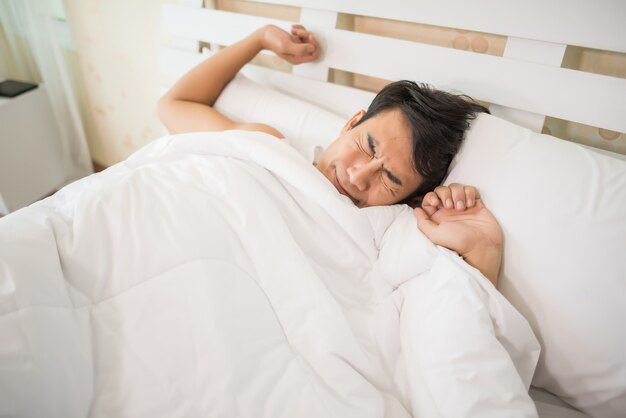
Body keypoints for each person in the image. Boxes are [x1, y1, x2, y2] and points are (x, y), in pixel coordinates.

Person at [158, 24, 503, 286]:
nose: (357, 176)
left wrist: (483, 253)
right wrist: (259, 39)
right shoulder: (267, 147)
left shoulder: (386, 233)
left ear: (408, 199)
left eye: (390, 179)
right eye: (367, 147)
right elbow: (175, 105)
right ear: (352, 123)